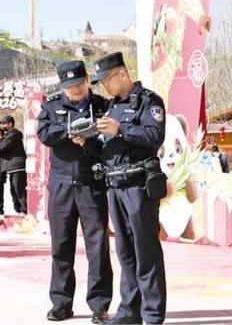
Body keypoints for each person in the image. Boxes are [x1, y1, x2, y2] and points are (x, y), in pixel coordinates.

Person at [93, 52, 167, 325]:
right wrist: (88, 141)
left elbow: (154, 136)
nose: (104, 86)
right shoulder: (111, 107)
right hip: (115, 184)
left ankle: (152, 314)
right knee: (125, 252)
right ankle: (129, 311)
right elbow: (108, 147)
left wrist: (121, 129)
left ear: (122, 73)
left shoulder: (148, 101)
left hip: (139, 185)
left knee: (145, 250)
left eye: (107, 80)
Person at [37, 60, 113, 323]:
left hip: (91, 183)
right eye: (70, 86)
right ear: (62, 86)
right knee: (61, 246)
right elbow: (44, 134)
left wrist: (89, 138)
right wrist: (68, 129)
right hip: (60, 185)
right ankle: (61, 303)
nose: (76, 89)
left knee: (98, 246)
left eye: (80, 83)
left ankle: (99, 306)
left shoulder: (103, 106)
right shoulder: (51, 106)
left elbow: (110, 141)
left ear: (88, 79)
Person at [0, 115, 27, 215]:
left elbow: (2, 147)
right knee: (14, 191)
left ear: (10, 124)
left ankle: (25, 211)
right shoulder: (8, 135)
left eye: (4, 123)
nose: (3, 126)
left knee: (19, 190)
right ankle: (19, 210)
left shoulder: (13, 134)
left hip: (17, 167)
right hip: (13, 168)